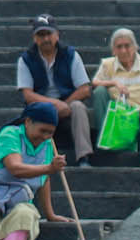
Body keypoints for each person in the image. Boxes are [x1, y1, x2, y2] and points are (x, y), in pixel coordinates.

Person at [0, 98, 63, 240]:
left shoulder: (48, 144)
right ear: (28, 121)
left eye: (50, 132)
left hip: (18, 200)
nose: (45, 136)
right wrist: (49, 168)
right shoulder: (10, 134)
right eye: (42, 130)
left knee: (28, 214)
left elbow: (44, 179)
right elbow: (15, 168)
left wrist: (50, 214)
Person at [17, 14, 96, 164]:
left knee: (78, 107)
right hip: (40, 107)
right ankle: (32, 160)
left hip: (67, 106)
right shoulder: (26, 59)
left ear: (57, 35)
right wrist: (53, 106)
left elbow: (85, 89)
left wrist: (65, 104)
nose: (46, 39)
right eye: (41, 35)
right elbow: (28, 95)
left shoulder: (70, 55)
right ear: (34, 38)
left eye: (49, 34)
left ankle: (84, 157)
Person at [92, 29, 140, 165]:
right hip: (118, 114)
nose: (123, 50)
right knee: (99, 92)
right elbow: (95, 82)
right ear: (113, 51)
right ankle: (104, 140)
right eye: (119, 47)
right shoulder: (108, 65)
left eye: (127, 45)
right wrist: (114, 83)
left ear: (135, 47)